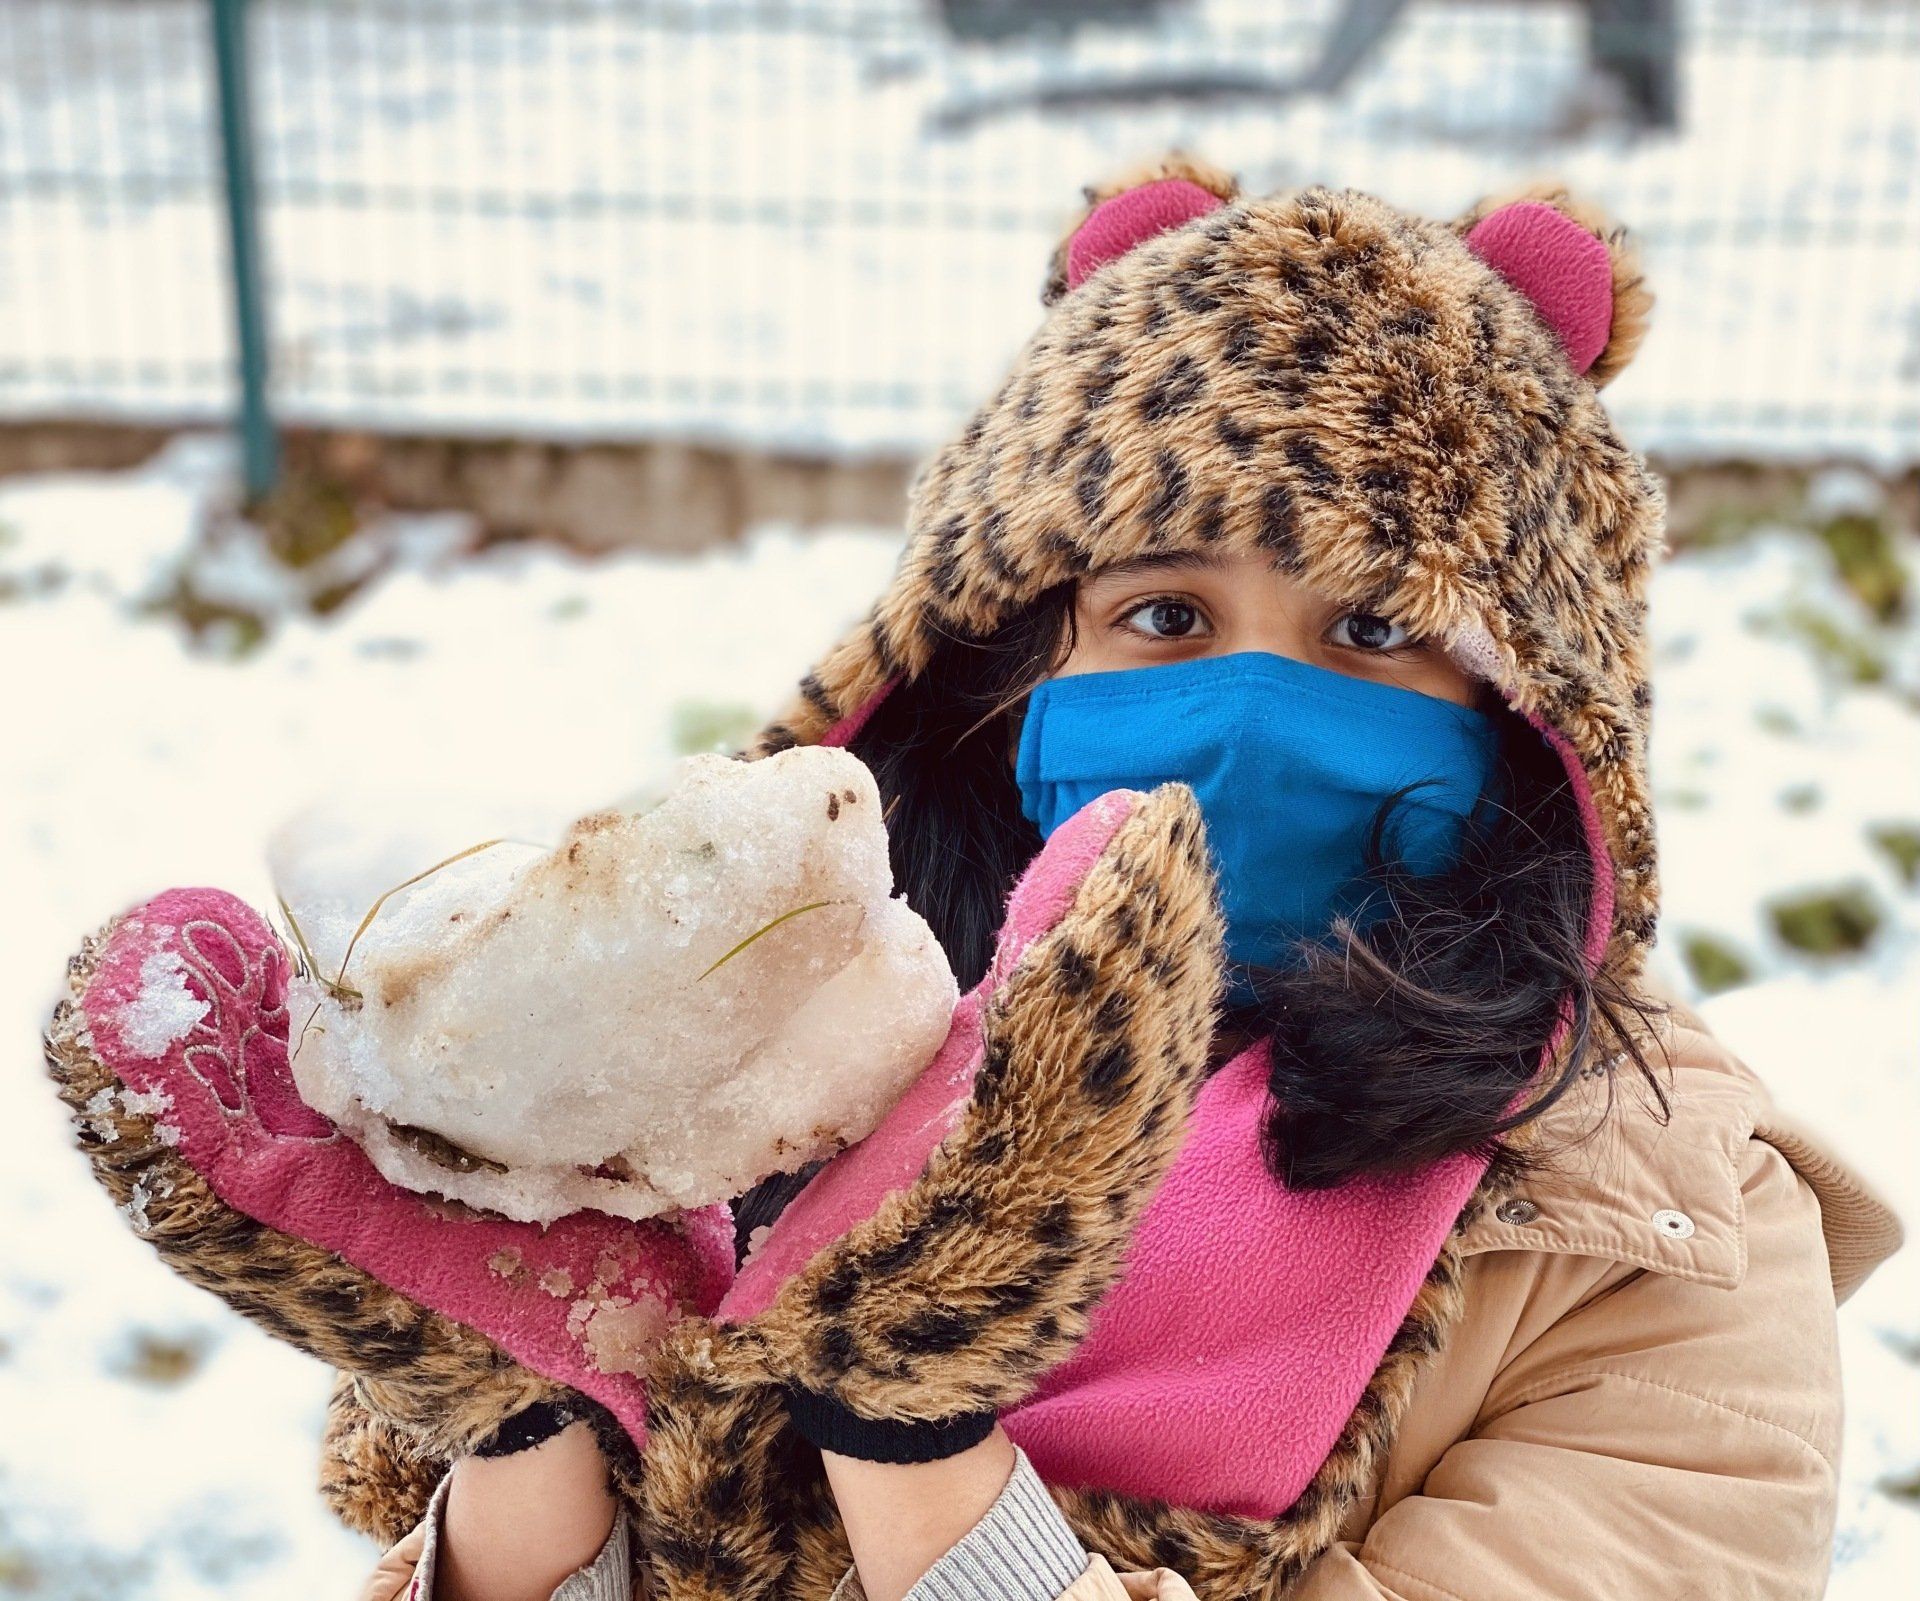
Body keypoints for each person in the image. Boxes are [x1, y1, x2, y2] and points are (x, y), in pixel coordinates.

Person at [46, 158, 1900, 1601]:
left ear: (1534, 728)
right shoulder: (747, 1065)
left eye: (1372, 629)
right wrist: (529, 1437)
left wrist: (925, 1445)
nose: (1249, 710)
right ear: (998, 675)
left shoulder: (1652, 1239)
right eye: (1160, 614)